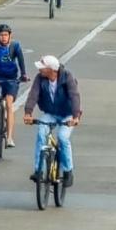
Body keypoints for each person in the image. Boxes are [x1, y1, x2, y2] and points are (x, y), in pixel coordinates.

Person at [24, 55, 81, 186]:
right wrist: (28, 112)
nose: (40, 70)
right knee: (41, 133)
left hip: (68, 114)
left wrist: (75, 116)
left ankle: (68, 172)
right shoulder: (40, 78)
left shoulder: (67, 77)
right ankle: (39, 171)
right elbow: (33, 94)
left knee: (62, 137)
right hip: (50, 113)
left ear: (51, 70)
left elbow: (74, 96)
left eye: (42, 67)